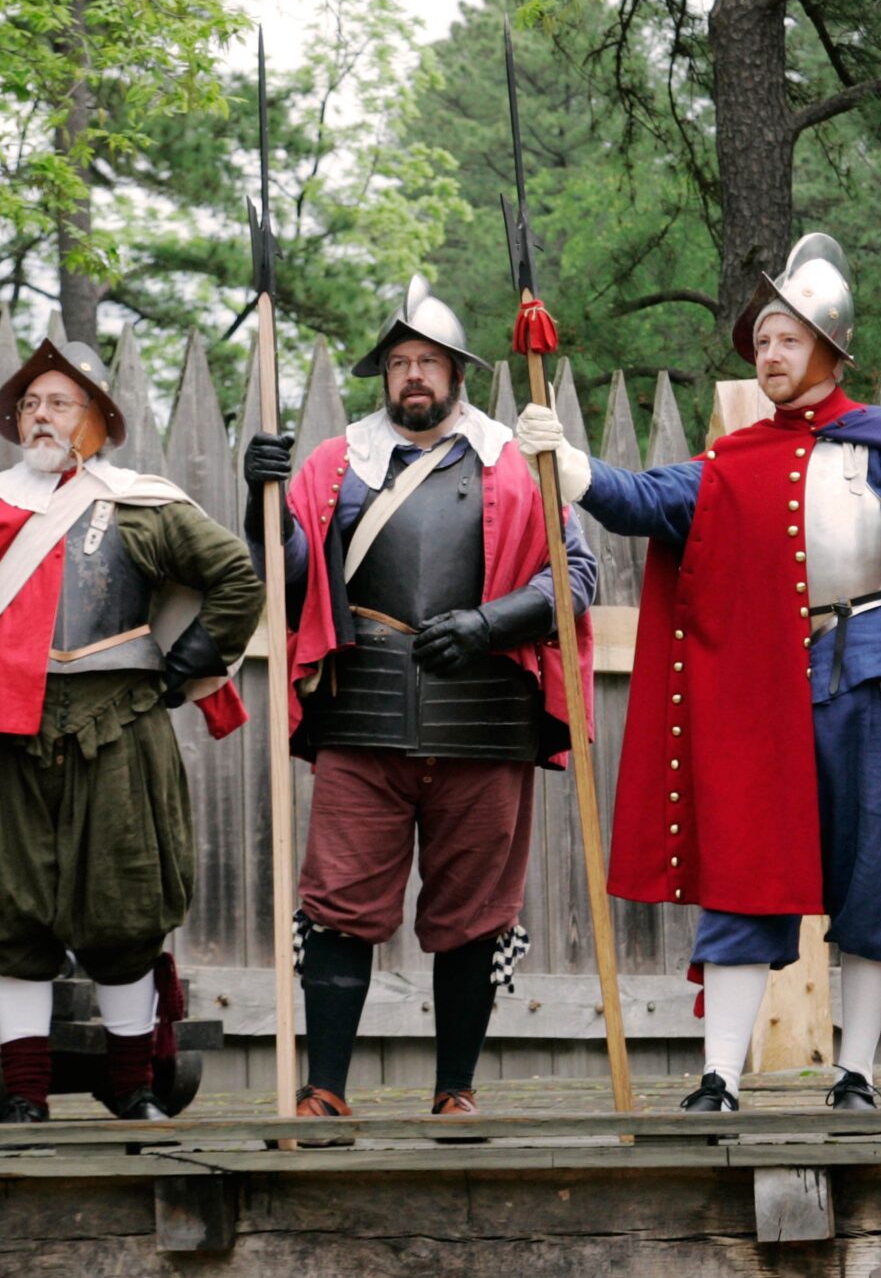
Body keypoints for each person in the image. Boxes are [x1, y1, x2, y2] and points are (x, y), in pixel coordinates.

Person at [515, 233, 881, 1113]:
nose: (770, 352)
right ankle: (719, 1077)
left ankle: (858, 1076)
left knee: (880, 876)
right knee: (744, 868)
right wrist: (573, 467)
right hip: (769, 695)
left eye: (787, 337)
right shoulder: (733, 465)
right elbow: (648, 501)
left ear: (830, 349)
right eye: (761, 340)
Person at [241, 277, 597, 1125]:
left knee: (474, 913)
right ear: (384, 375)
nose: (412, 377)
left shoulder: (515, 457)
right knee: (337, 901)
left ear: (456, 372)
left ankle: (455, 1091)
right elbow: (289, 580)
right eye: (399, 362)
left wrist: (484, 623)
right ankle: (324, 1086)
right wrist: (258, 498)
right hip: (361, 713)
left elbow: (574, 576)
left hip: (483, 713)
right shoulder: (335, 464)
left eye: (426, 362)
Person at [0, 337, 262, 1121]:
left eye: (59, 402)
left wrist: (185, 663)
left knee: (126, 906)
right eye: (30, 404)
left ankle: (131, 1085)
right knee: (3, 910)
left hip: (119, 729)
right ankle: (22, 1094)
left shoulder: (143, 503)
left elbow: (236, 577)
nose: (41, 416)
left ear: (95, 419)